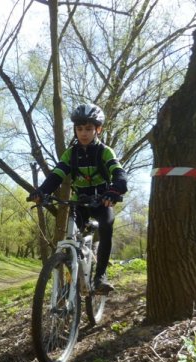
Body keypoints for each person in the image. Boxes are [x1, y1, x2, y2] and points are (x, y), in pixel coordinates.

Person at [30, 103, 128, 293]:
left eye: (89, 129)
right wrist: (42, 191)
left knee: (107, 227)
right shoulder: (71, 154)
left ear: (97, 129)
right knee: (71, 237)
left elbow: (119, 173)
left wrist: (115, 190)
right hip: (79, 202)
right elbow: (56, 175)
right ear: (75, 130)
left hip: (102, 201)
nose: (84, 133)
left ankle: (99, 278)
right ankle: (70, 278)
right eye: (80, 129)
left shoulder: (105, 152)